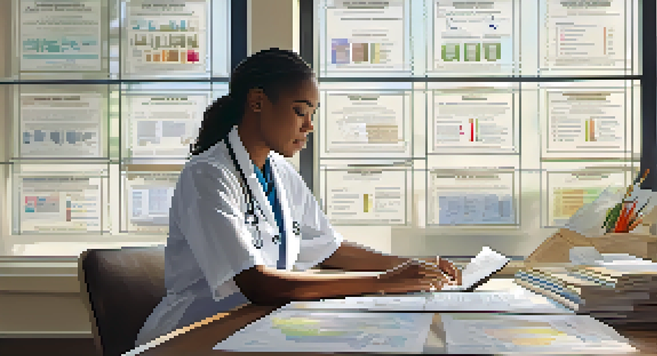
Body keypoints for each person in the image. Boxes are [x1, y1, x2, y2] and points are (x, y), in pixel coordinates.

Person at [135, 48, 462, 347]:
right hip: (192, 331)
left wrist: (412, 266)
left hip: (255, 321)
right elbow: (257, 284)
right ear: (258, 102)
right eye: (299, 111)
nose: (309, 126)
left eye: (312, 114)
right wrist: (382, 281)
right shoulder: (207, 174)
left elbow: (329, 248)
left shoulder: (279, 170)